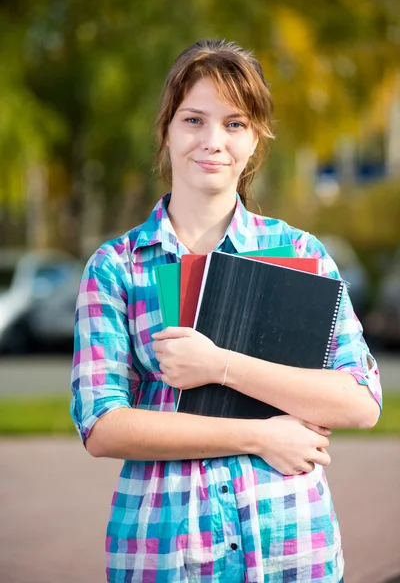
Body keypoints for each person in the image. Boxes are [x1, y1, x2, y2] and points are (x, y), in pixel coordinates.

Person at [70, 39, 382, 583]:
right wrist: (259, 436)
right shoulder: (117, 266)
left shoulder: (299, 254)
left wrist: (220, 366)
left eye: (235, 124)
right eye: (194, 119)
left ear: (256, 138)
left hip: (291, 547)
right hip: (164, 551)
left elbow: (360, 402)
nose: (213, 142)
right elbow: (103, 426)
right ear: (167, 130)